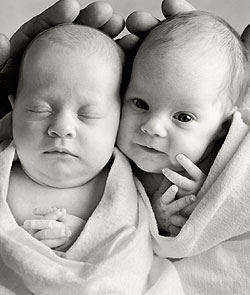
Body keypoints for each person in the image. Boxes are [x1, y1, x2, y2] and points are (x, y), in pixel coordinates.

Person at [116, 11, 249, 235]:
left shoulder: (229, 167)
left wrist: (210, 198)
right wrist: (155, 219)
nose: (152, 127)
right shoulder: (111, 165)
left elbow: (238, 210)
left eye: (183, 117)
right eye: (140, 103)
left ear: (223, 128)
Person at [6, 23, 125, 250]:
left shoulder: (128, 191)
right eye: (40, 110)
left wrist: (85, 237)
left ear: (121, 121)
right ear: (14, 111)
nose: (62, 127)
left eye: (88, 114)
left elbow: (141, 250)